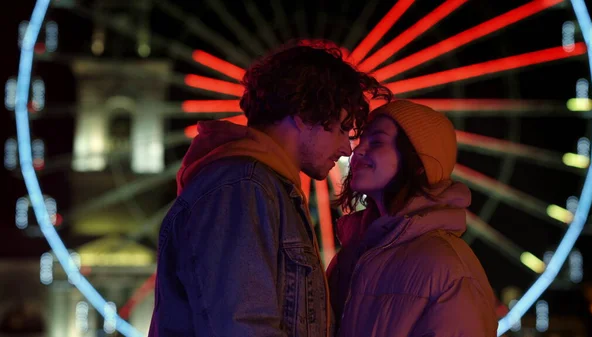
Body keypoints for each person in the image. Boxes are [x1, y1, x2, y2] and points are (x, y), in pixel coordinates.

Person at [149, 41, 392, 337]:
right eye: (342, 128)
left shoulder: (262, 189)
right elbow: (242, 327)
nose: (346, 149)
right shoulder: (241, 189)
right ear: (305, 114)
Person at [327, 99, 498, 337]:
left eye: (376, 141)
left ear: (418, 163)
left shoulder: (446, 268)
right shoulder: (351, 257)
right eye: (361, 139)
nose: (357, 151)